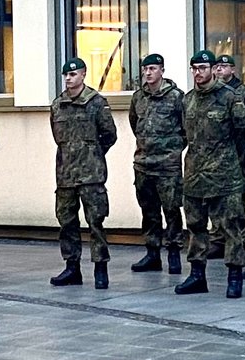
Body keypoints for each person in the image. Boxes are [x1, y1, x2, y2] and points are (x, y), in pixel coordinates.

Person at [177, 51, 245, 297]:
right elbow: (182, 135)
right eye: (194, 68)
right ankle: (197, 275)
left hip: (225, 175)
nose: (198, 73)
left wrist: (233, 164)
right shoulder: (187, 100)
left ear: (213, 69)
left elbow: (244, 136)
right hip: (195, 175)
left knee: (231, 227)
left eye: (203, 67)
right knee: (195, 226)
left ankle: (234, 276)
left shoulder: (230, 97)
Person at [51, 57, 119, 289]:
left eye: (73, 74)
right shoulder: (58, 104)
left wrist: (93, 154)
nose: (69, 79)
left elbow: (109, 134)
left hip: (91, 175)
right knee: (67, 223)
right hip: (66, 175)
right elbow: (58, 137)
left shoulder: (96, 102)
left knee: (96, 223)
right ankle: (72, 268)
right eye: (66, 75)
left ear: (83, 75)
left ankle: (101, 268)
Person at [128, 53, 186, 274]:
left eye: (153, 68)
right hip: (143, 164)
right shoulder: (138, 98)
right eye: (145, 69)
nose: (148, 73)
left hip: (168, 166)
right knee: (149, 211)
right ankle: (152, 253)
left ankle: (173, 252)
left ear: (162, 70)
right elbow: (135, 124)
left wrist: (172, 149)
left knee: (171, 210)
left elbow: (186, 129)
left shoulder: (176, 97)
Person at [203, 54, 245, 261]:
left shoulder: (243, 93)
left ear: (233, 69)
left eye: (225, 66)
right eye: (218, 66)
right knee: (214, 197)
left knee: (235, 201)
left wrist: (238, 151)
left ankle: (242, 239)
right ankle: (217, 239)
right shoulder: (210, 93)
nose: (220, 70)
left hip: (235, 155)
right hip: (212, 158)